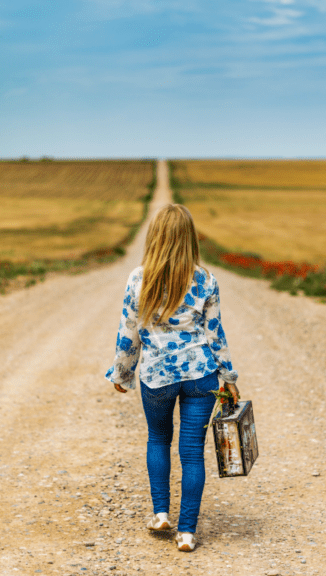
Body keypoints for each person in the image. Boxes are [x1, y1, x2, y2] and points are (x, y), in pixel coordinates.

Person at [105, 204, 239, 553]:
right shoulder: (206, 279)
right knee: (193, 453)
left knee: (158, 440)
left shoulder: (139, 277)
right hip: (200, 375)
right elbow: (215, 333)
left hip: (157, 376)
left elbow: (128, 332)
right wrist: (228, 375)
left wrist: (122, 372)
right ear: (189, 239)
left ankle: (161, 513)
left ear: (156, 237)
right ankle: (187, 533)